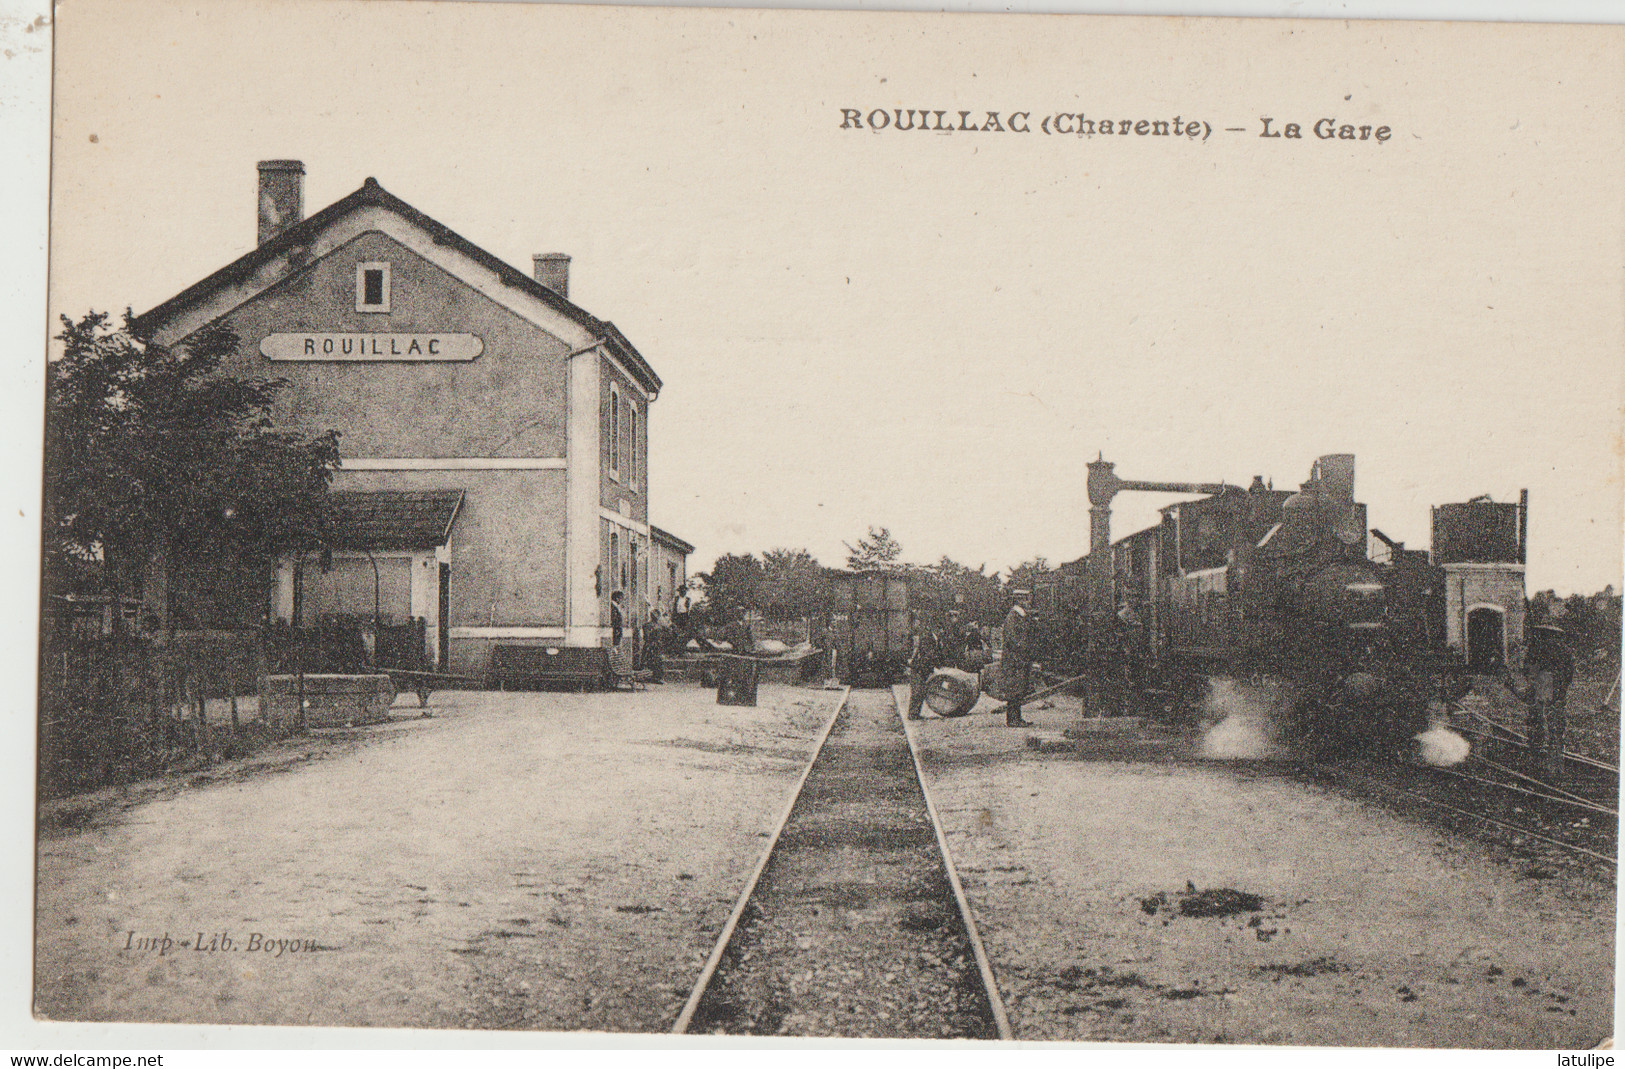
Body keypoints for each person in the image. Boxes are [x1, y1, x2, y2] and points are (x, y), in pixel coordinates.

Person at [1504, 622, 1574, 778]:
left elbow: (1529, 672)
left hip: (1541, 691)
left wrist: (1514, 684)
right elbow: (1569, 675)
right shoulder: (1566, 651)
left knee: (1536, 729)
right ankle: (1556, 768)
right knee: (1556, 733)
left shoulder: (1537, 649)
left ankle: (1536, 764)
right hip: (1557, 695)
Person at [1000, 590, 1035, 727]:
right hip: (1015, 659)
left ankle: (1016, 718)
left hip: (1018, 658)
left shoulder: (1018, 616)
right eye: (1027, 599)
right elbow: (1012, 639)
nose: (1029, 602)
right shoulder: (1014, 617)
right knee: (1015, 689)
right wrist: (1023, 651)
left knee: (1018, 688)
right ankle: (1013, 719)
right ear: (1020, 600)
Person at [906, 612, 947, 720]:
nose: (942, 631)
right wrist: (937, 665)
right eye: (941, 629)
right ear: (937, 629)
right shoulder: (928, 638)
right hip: (918, 668)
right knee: (917, 692)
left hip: (924, 669)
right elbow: (929, 654)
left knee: (921, 691)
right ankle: (912, 714)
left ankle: (915, 714)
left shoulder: (936, 639)